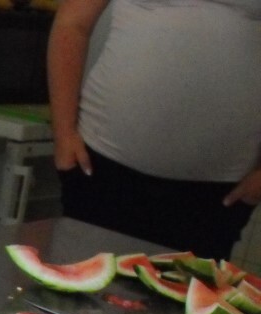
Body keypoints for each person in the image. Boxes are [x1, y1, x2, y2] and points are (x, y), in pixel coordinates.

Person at [48, 0, 261, 261]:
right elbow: (72, 24)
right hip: (105, 166)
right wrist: (63, 135)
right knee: (85, 280)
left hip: (219, 192)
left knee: (188, 285)